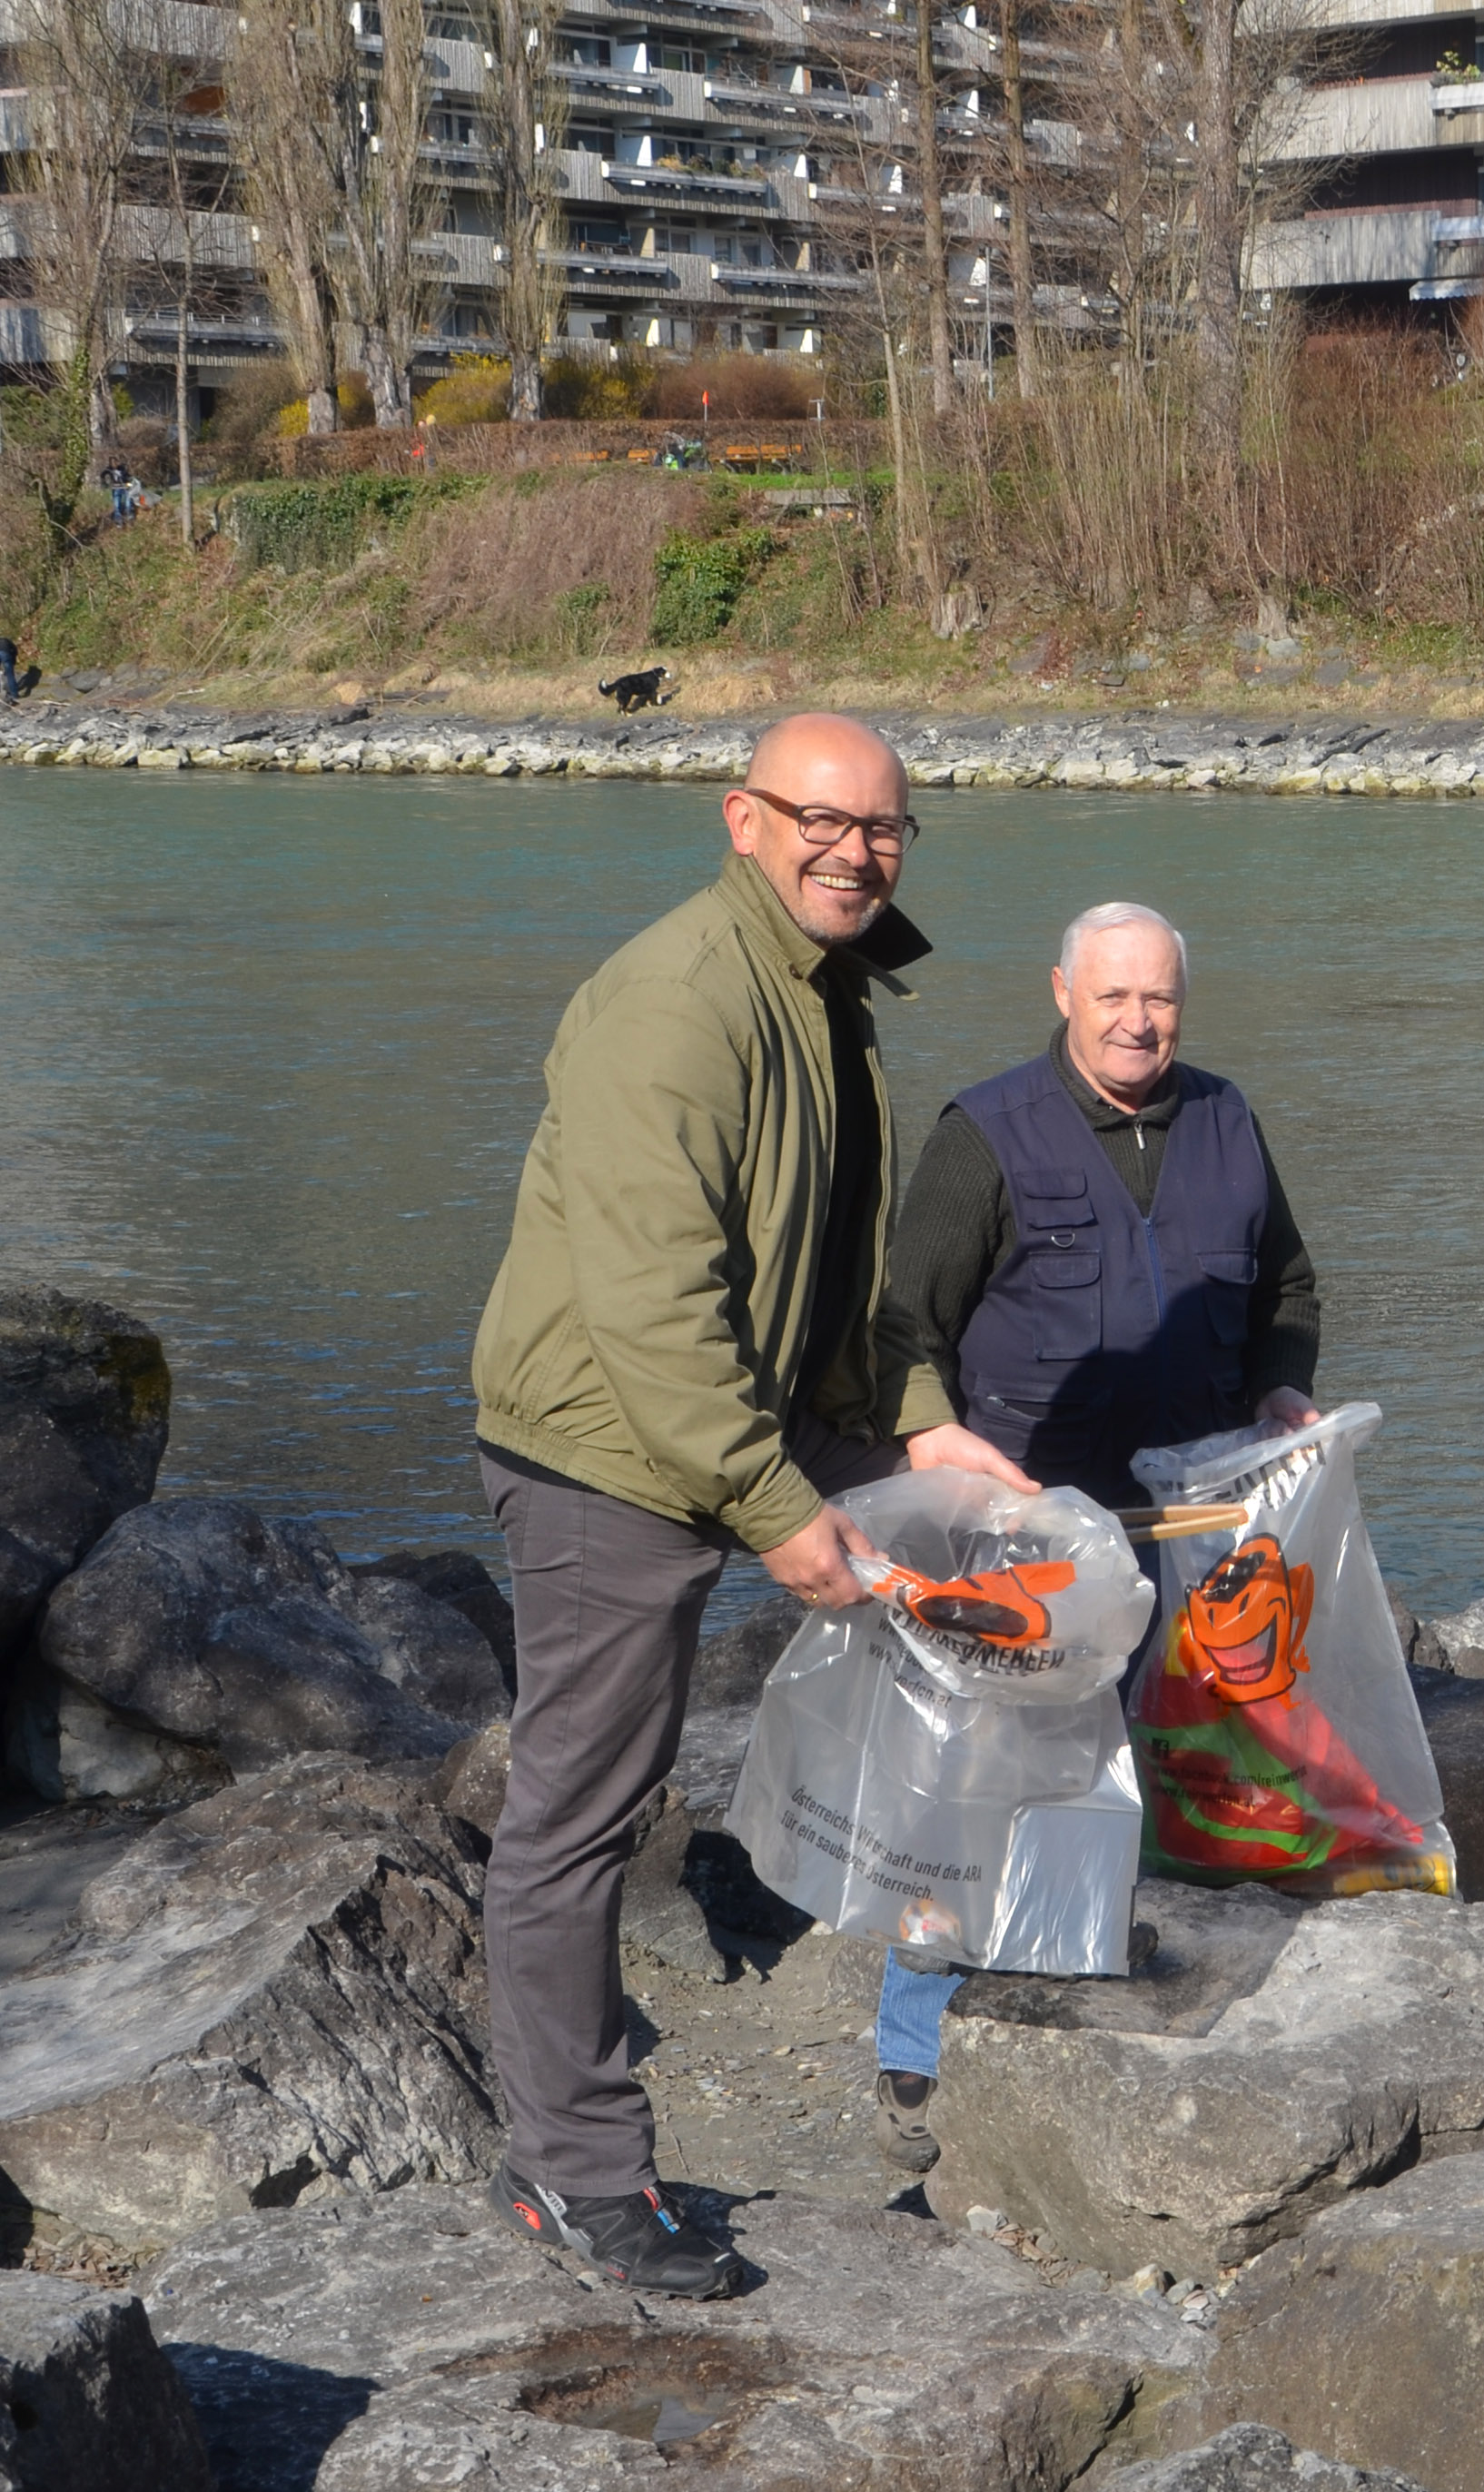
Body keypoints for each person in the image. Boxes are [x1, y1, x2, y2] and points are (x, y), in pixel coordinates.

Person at [470, 713, 1035, 2296]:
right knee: (580, 1816)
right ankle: (571, 2174)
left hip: (742, 1415)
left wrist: (919, 1430)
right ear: (743, 819)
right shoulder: (676, 1001)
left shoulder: (825, 987)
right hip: (607, 1452)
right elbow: (657, 1306)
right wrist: (777, 1507)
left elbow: (833, 1270)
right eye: (822, 819)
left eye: (884, 828)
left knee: (1021, 1560)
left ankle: (974, 2007)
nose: (855, 850)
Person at [861, 898, 1324, 2171]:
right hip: (1021, 1527)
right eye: (1112, 995)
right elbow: (903, 1321)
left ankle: (1079, 1971)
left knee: (1131, 1764)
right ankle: (914, 2045)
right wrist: (932, 1458)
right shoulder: (985, 1133)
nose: (1137, 1019)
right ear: (1061, 992)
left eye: (1159, 998)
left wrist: (1282, 1384)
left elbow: (1285, 1284)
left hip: (1188, 1512)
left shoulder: (1225, 1121)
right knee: (972, 1777)